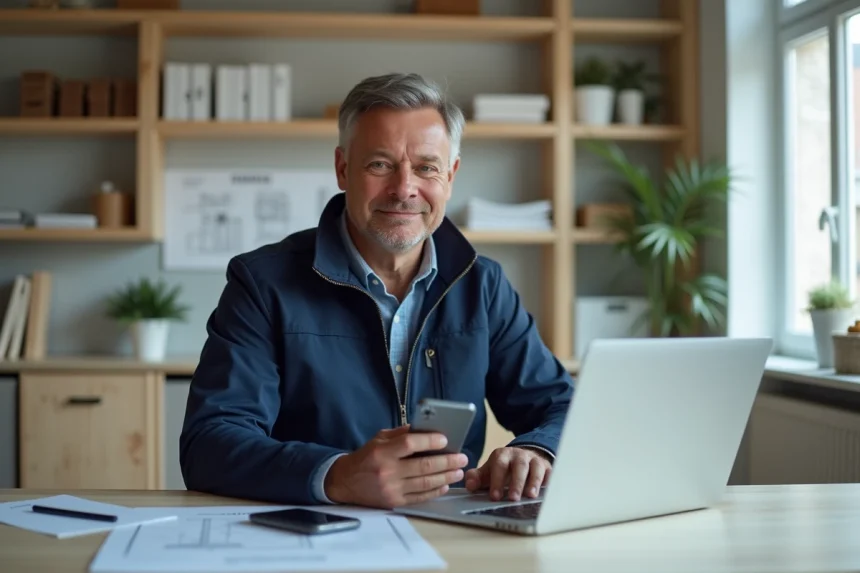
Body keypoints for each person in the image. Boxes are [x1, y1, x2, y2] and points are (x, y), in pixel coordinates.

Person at [180, 72, 575, 509]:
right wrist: (336, 476)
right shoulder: (262, 283)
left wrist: (538, 450)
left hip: (451, 530)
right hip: (313, 530)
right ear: (343, 169)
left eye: (426, 167)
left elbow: (563, 407)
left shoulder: (483, 284)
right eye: (380, 164)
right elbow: (209, 443)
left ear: (451, 175)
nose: (404, 188)